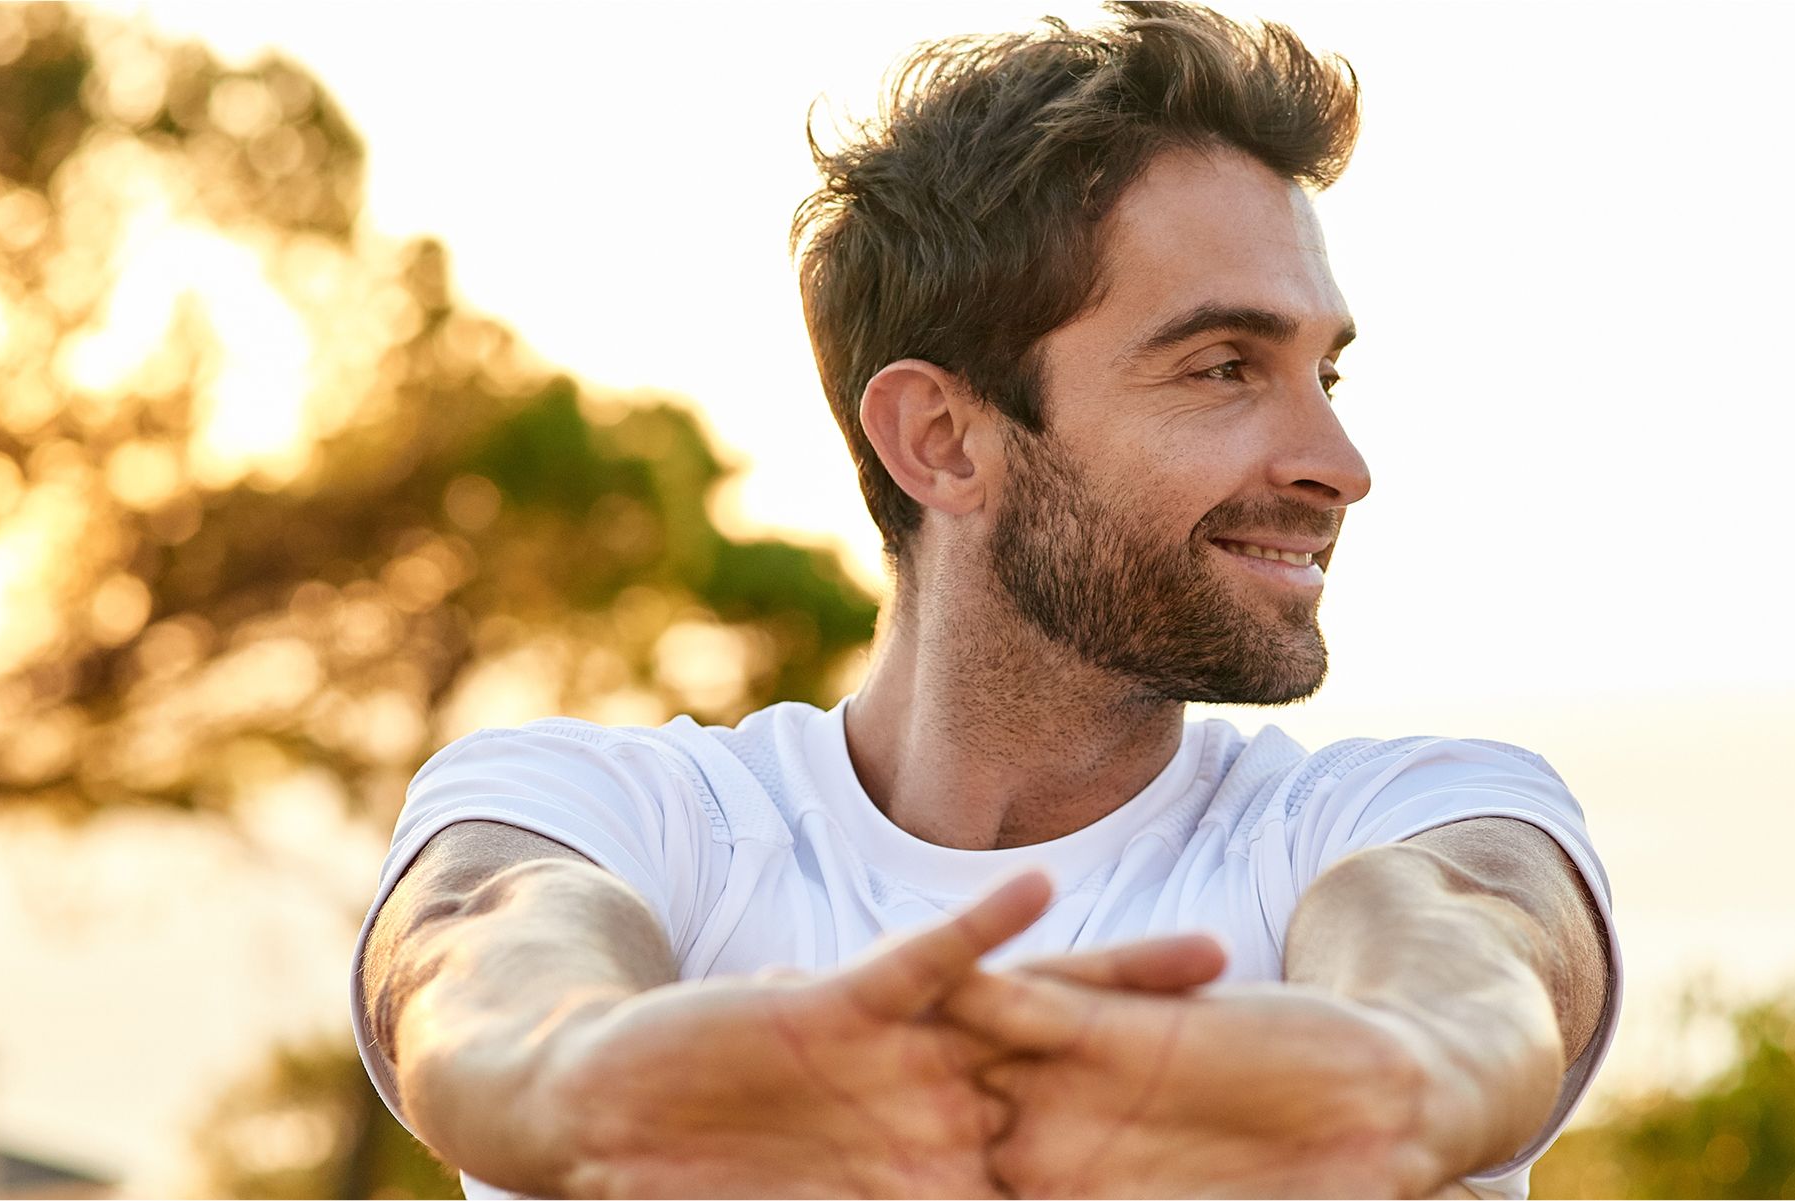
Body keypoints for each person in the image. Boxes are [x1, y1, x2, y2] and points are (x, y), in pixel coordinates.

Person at [350, 3, 1623, 1197]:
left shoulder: (1391, 819)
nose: (1337, 467)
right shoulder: (616, 818)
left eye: (1324, 374)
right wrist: (583, 1074)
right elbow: (483, 940)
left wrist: (1411, 1064)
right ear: (943, 439)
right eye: (1225, 366)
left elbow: (1470, 930)